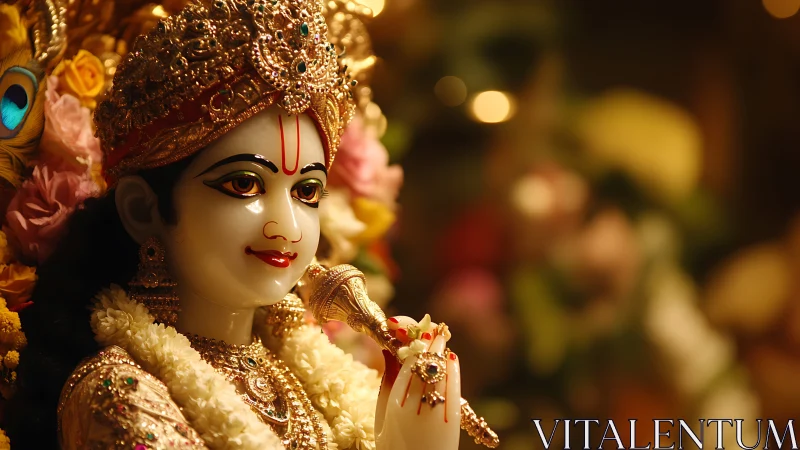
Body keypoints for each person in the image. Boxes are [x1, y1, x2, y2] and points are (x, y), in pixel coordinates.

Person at [8, 0, 466, 448]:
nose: (286, 227)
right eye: (244, 184)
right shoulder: (118, 394)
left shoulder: (303, 376)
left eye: (307, 192)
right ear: (143, 210)